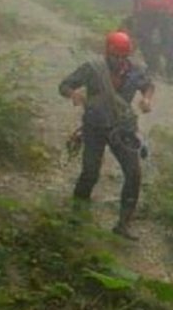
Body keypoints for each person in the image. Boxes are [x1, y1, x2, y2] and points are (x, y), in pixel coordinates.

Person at [59, 31, 154, 240]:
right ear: (107, 53)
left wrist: (147, 99)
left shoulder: (136, 71)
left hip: (123, 128)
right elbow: (64, 85)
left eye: (123, 56)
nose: (119, 60)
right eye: (115, 56)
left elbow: (148, 85)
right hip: (95, 127)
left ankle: (124, 223)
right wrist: (73, 94)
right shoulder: (93, 69)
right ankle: (77, 213)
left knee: (134, 174)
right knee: (90, 172)